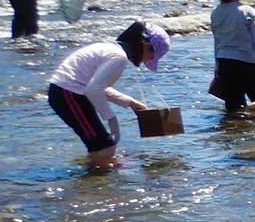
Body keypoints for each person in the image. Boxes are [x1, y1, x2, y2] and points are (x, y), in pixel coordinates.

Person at [46, 20, 168, 168]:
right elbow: (92, 90)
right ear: (145, 45)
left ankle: (96, 174)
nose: (148, 60)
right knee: (103, 146)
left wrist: (130, 102)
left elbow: (97, 86)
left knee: (101, 145)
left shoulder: (109, 48)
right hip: (69, 94)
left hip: (66, 93)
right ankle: (96, 180)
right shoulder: (119, 57)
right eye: (151, 56)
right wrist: (112, 120)